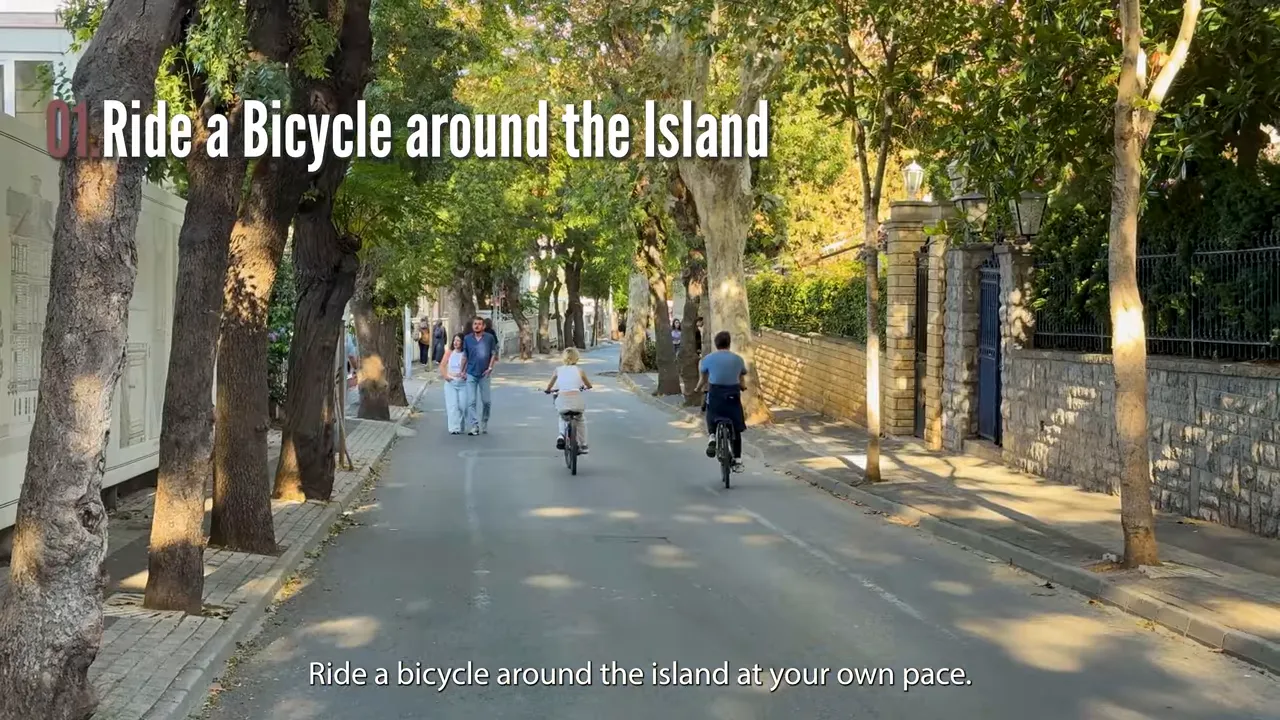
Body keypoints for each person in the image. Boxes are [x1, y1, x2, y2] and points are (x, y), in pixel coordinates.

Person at [694, 330, 746, 472]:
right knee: (736, 427)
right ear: (729, 343)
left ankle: (712, 436)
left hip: (716, 395)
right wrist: (743, 386)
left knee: (710, 412)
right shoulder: (738, 359)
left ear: (716, 344)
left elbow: (703, 379)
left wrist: (697, 388)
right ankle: (738, 459)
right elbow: (741, 378)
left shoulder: (708, 359)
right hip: (732, 396)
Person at [543, 346, 593, 453]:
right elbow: (589, 385)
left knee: (562, 416)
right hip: (576, 401)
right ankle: (583, 445)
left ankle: (561, 435)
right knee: (580, 419)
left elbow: (550, 385)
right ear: (576, 358)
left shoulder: (558, 370)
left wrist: (548, 390)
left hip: (563, 400)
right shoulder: (580, 370)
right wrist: (585, 387)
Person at [463, 316, 499, 435]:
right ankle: (474, 425)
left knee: (486, 401)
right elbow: (465, 356)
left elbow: (493, 353)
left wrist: (490, 368)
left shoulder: (489, 338)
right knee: (471, 401)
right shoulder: (467, 339)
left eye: (479, 324)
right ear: (472, 326)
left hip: (484, 374)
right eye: (475, 324)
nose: (477, 326)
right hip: (471, 373)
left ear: (483, 326)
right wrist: (462, 371)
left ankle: (484, 421)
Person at [439, 333, 468, 434]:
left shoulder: (466, 353)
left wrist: (466, 375)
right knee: (452, 406)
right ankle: (454, 428)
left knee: (463, 406)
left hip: (463, 384)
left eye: (458, 340)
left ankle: (461, 424)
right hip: (451, 383)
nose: (456, 342)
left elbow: (470, 367)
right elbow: (442, 365)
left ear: (462, 342)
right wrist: (446, 376)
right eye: (455, 340)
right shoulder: (449, 352)